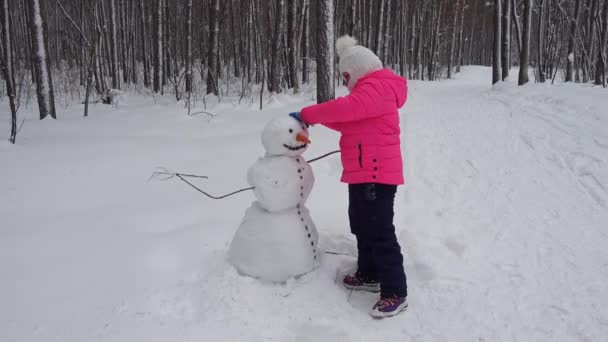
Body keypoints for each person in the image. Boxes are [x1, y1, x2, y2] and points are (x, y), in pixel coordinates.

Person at [289, 35, 409, 318]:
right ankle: (369, 273)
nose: (344, 82)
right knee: (361, 224)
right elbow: (346, 119)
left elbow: (345, 109)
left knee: (379, 232)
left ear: (359, 70)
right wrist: (311, 119)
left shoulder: (377, 88)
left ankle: (395, 290)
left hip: (377, 176)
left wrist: (309, 112)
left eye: (346, 76)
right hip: (363, 173)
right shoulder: (369, 95)